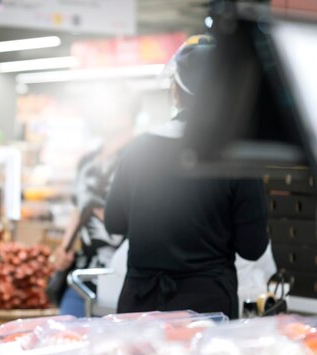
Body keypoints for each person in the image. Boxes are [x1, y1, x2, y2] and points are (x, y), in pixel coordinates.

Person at [103, 35, 269, 319]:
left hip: (142, 302)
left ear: (176, 93)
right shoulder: (235, 158)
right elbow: (252, 249)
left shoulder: (137, 149)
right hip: (205, 307)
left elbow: (114, 223)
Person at [51, 94, 136, 317]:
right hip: (83, 272)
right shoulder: (87, 162)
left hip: (124, 273)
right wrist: (65, 247)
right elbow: (79, 209)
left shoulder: (140, 159)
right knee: (68, 335)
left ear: (127, 116)